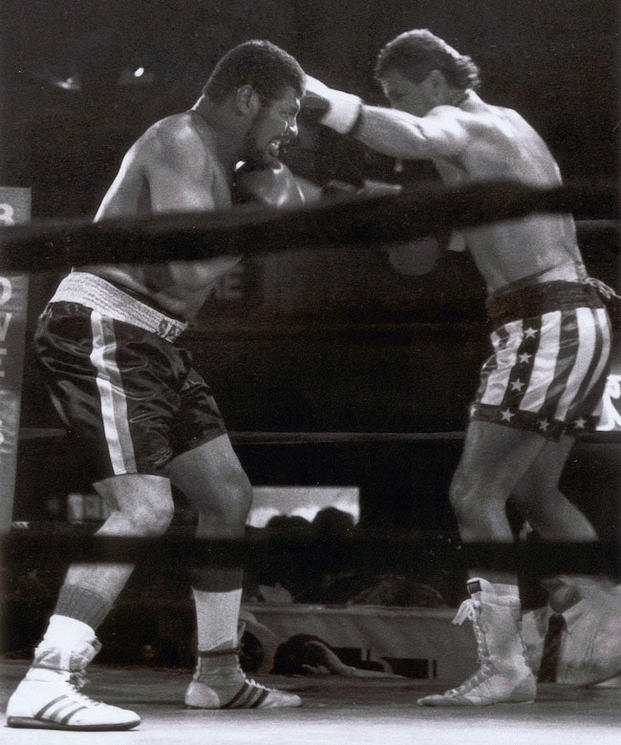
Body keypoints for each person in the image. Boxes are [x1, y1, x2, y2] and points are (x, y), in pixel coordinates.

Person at [303, 29, 613, 705]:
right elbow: (457, 221)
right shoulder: (510, 127)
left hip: (542, 319)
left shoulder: (455, 121)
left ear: (437, 81)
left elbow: (418, 137)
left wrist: (323, 101)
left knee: (473, 494)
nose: (401, 108)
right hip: (574, 313)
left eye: (400, 93)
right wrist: (363, 195)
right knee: (533, 492)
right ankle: (599, 613)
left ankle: (506, 661)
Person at [6, 39, 307, 731]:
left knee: (227, 495)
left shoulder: (213, 156)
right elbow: (188, 274)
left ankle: (219, 673)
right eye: (286, 113)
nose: (290, 132)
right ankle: (49, 675)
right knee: (143, 507)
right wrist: (260, 215)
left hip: (153, 340)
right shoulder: (177, 139)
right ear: (245, 98)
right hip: (102, 326)